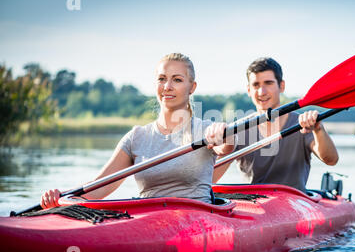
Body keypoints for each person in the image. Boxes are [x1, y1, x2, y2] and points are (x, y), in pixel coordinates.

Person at [41, 53, 235, 208]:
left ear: (192, 87)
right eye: (162, 79)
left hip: (197, 223)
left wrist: (224, 135)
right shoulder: (137, 137)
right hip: (148, 223)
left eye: (177, 80)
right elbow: (96, 188)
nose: (167, 86)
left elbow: (226, 147)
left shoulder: (205, 130)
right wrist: (60, 198)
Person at [213, 57, 338, 193]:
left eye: (268, 83)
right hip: (254, 205)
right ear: (249, 90)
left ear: (281, 86)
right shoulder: (239, 130)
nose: (262, 92)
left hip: (295, 204)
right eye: (256, 85)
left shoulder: (302, 124)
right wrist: (224, 145)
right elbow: (209, 179)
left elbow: (331, 160)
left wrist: (318, 129)